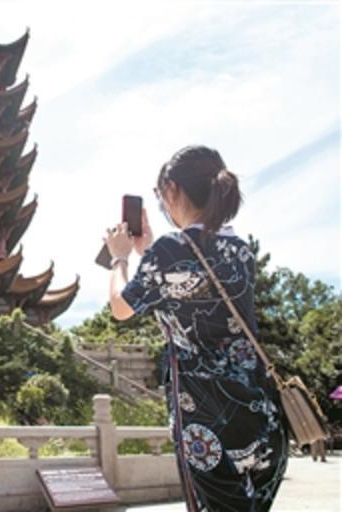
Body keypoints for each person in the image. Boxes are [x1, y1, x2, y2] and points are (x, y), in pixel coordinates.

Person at [105, 146, 288, 511]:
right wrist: (149, 252)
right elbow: (192, 290)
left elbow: (121, 307)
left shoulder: (169, 250)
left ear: (172, 189)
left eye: (160, 194)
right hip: (261, 416)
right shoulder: (240, 249)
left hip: (207, 420)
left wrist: (120, 257)